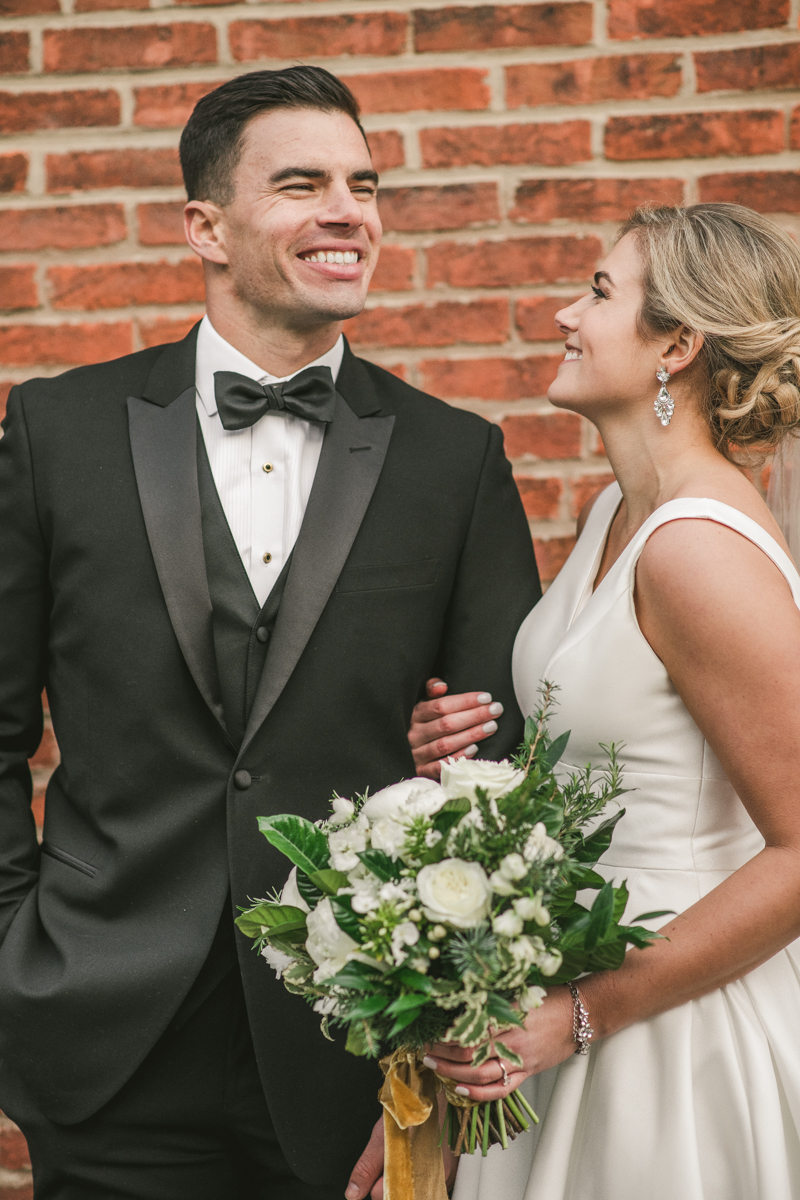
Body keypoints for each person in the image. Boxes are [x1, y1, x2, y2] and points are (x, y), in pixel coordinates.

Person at [0, 66, 541, 1199]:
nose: (349, 209)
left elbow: (497, 777)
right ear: (205, 224)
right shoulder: (62, 429)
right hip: (103, 1039)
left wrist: (436, 1040)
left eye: (364, 184)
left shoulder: (455, 459)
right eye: (301, 184)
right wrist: (14, 959)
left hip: (353, 1058)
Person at [409, 203, 800, 1200]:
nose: (560, 316)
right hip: (560, 1000)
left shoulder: (695, 551)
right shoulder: (615, 515)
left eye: (594, 293)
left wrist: (581, 1013)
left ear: (675, 344)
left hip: (667, 1030)